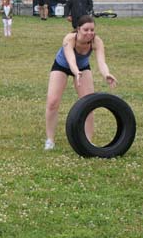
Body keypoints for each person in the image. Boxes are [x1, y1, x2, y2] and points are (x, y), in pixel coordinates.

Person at [44, 15, 117, 150]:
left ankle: (88, 141)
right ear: (78, 29)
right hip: (62, 66)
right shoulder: (69, 39)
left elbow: (101, 62)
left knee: (88, 104)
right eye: (86, 30)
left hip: (83, 68)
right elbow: (71, 59)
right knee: (52, 102)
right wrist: (76, 71)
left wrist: (106, 74)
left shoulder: (97, 41)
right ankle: (50, 139)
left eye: (92, 30)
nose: (89, 33)